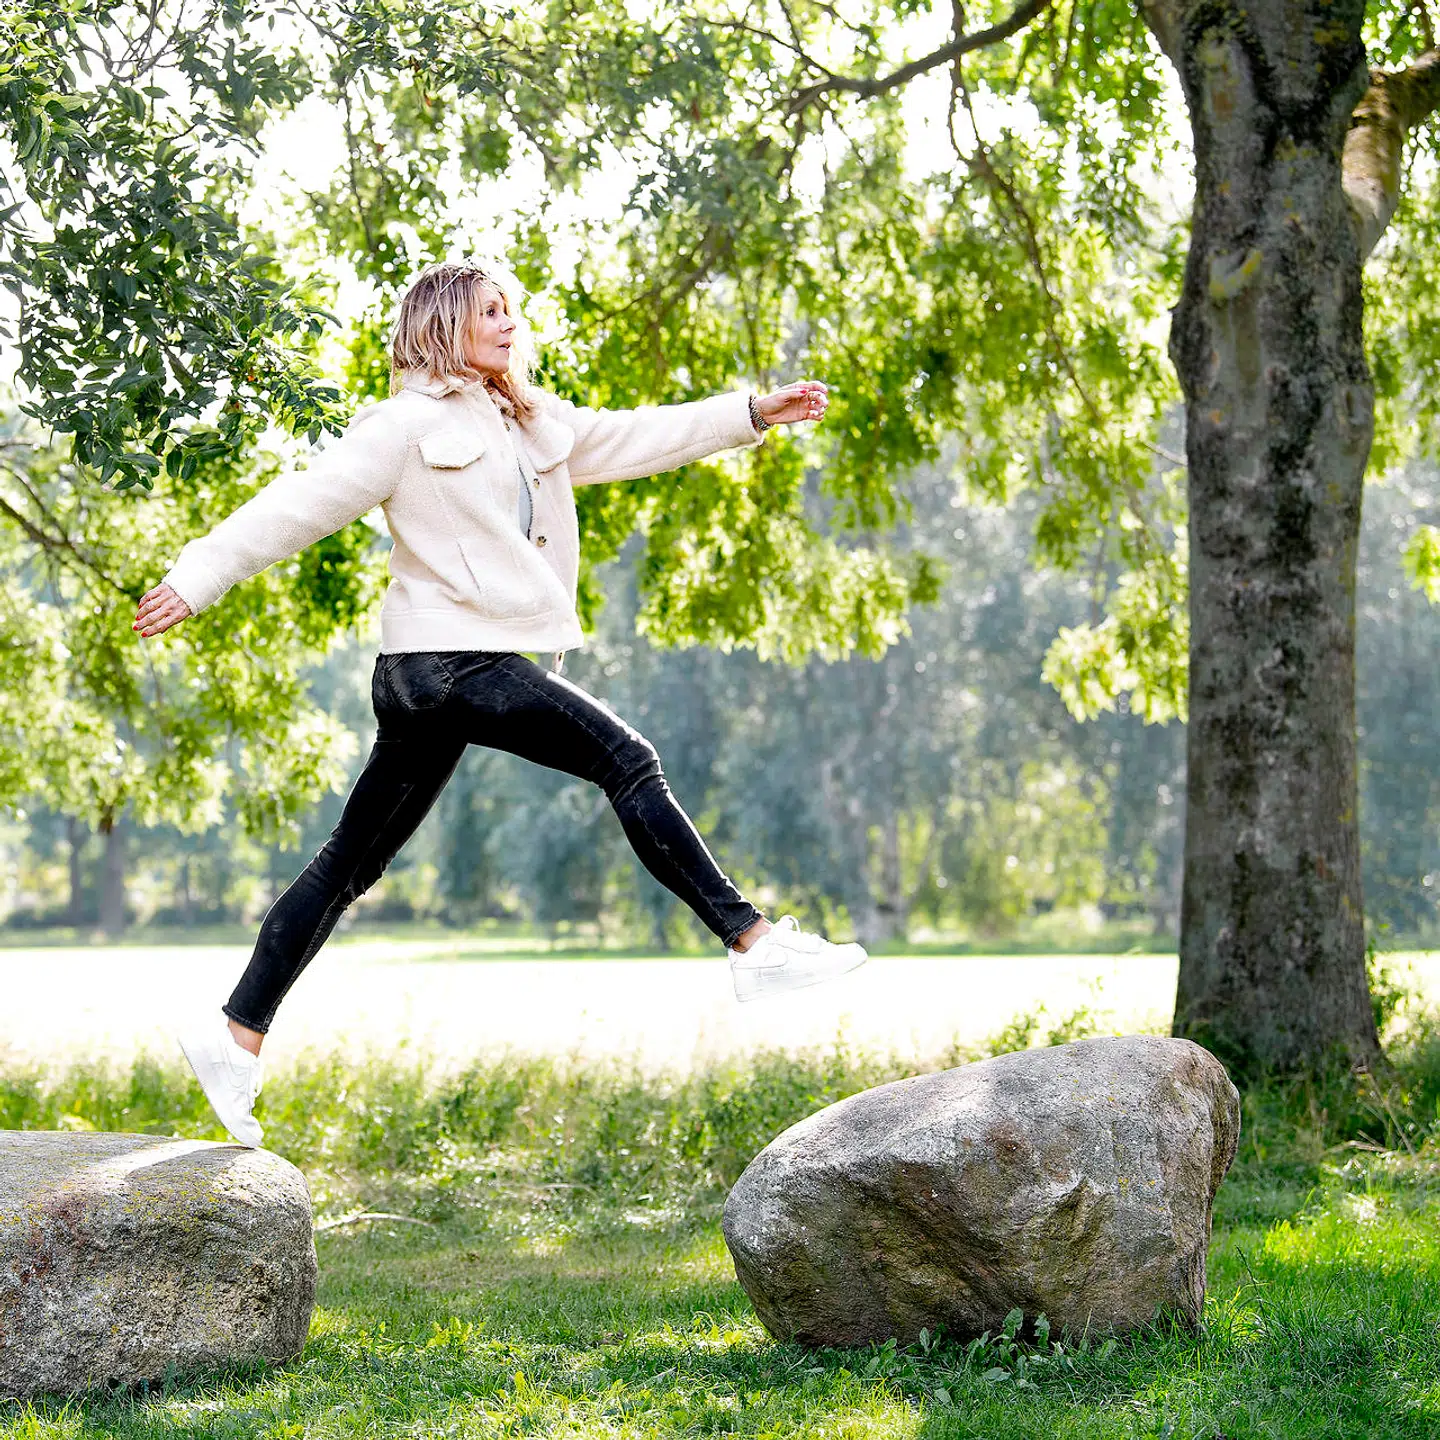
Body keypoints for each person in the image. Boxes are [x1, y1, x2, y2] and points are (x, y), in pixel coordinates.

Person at [135, 258, 868, 1149]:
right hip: (450, 661)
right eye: (490, 312)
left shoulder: (528, 421)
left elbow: (633, 437)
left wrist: (748, 414)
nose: (510, 324)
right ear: (446, 324)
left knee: (348, 865)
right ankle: (752, 944)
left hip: (429, 679)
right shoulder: (402, 425)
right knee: (625, 759)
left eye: (511, 310)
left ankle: (233, 1037)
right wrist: (197, 575)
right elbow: (299, 504)